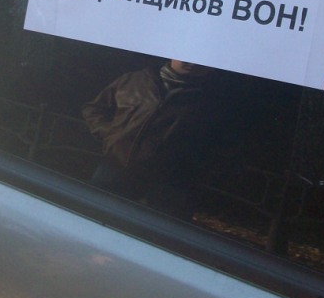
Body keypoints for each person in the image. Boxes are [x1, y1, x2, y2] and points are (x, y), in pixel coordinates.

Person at [83, 59, 227, 218]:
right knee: (93, 217)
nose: (193, 62)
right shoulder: (133, 80)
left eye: (203, 59)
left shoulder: (214, 100)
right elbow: (94, 109)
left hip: (169, 186)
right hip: (115, 167)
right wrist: (111, 135)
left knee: (146, 230)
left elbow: (221, 145)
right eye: (189, 55)